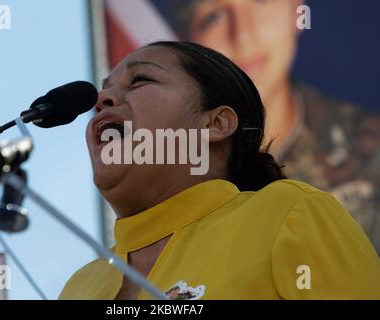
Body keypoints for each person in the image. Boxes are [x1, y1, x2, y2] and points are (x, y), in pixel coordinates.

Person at [59, 41, 380, 300]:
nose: (101, 100)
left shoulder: (288, 214)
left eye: (140, 80)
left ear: (215, 123)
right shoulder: (79, 286)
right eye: (103, 91)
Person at [166, 0, 380, 253]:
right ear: (186, 48)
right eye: (213, 16)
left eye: (260, 1)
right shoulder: (161, 178)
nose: (244, 34)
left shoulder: (371, 148)